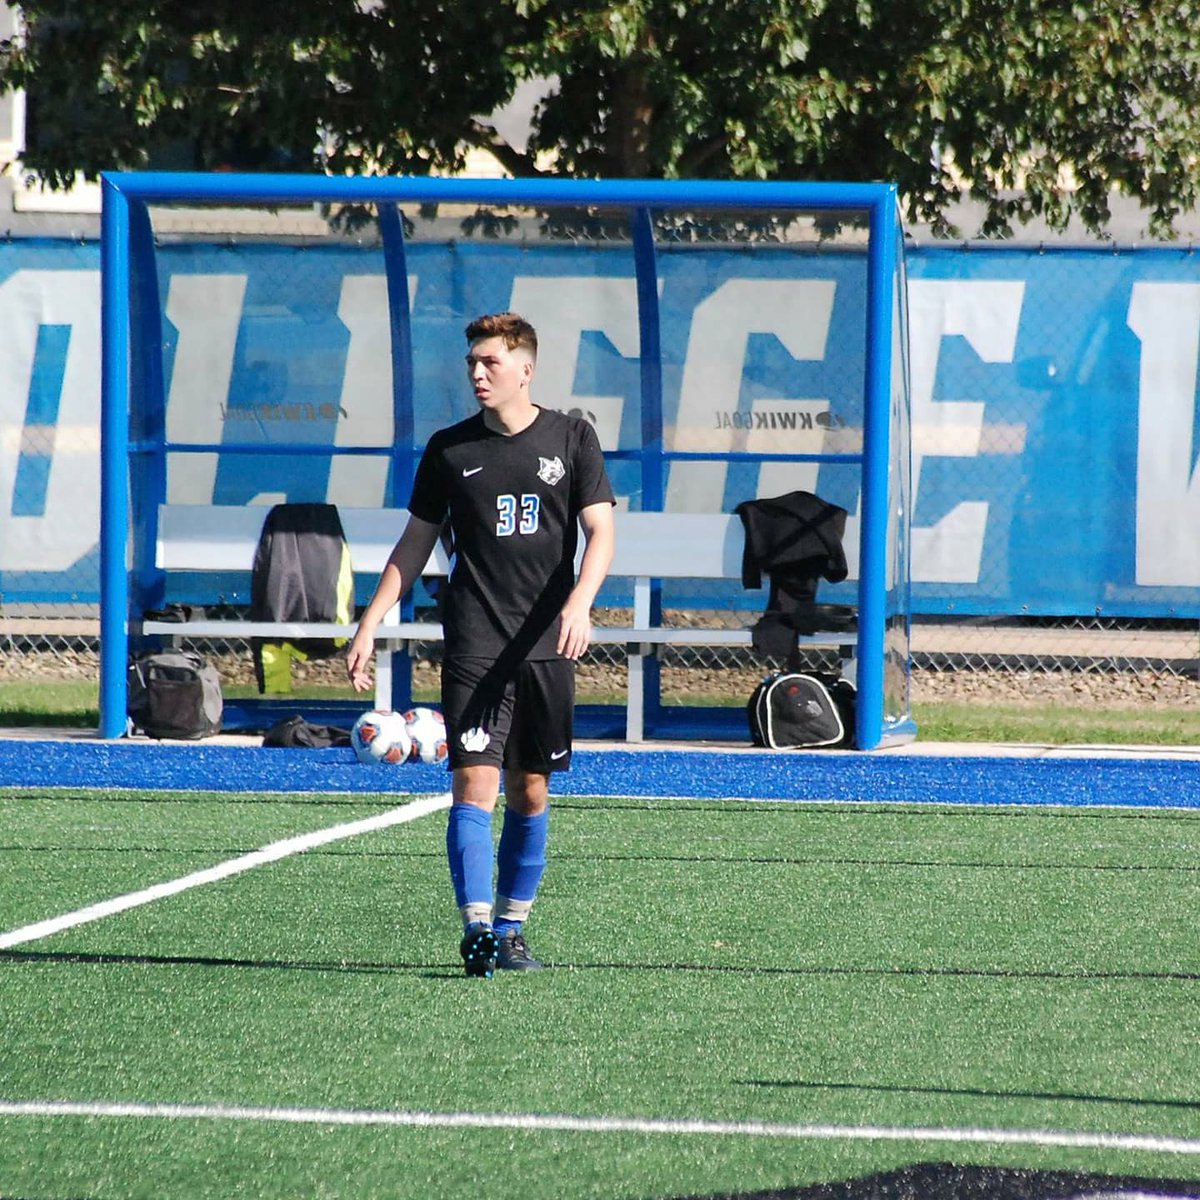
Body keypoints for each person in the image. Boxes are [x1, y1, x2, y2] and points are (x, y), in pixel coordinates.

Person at [346, 312, 616, 977]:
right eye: (472, 362)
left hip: (548, 646)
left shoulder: (572, 438)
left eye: (490, 362)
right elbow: (415, 544)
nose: (476, 373)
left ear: (525, 368)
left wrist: (580, 605)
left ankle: (512, 926)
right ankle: (477, 930)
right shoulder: (449, 450)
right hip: (473, 641)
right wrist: (371, 619)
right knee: (474, 783)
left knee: (531, 790)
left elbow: (600, 533)